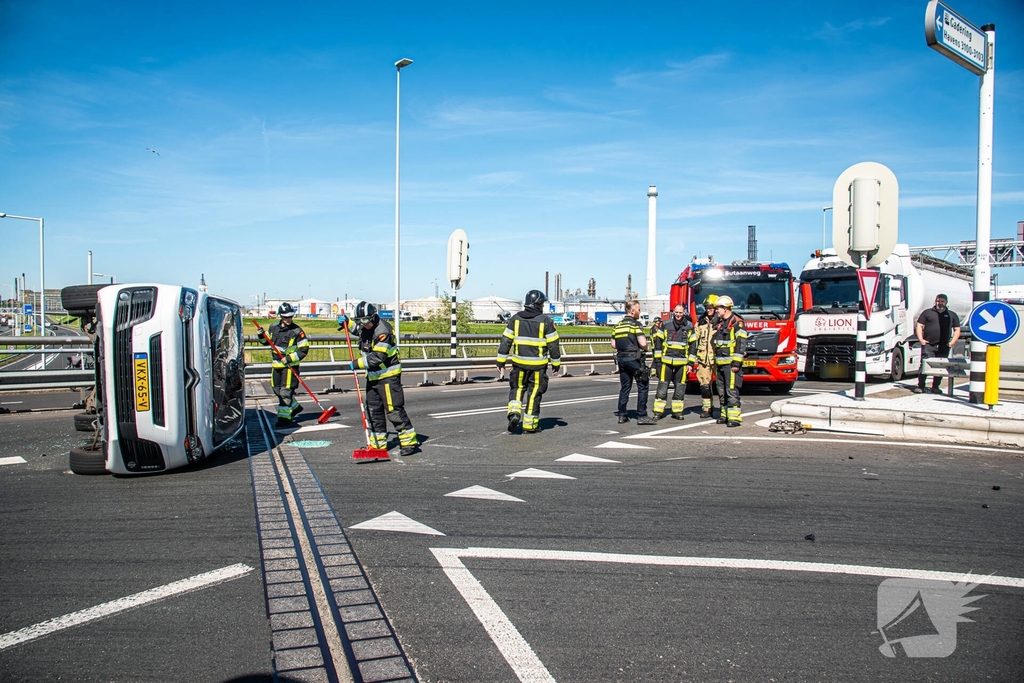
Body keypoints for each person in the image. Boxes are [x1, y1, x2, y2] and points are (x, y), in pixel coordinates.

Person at [345, 301, 419, 455]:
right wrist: (348, 322)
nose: (362, 324)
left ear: (373, 317)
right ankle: (378, 445)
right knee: (373, 410)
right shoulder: (366, 326)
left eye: (365, 320)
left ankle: (408, 442)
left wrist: (356, 363)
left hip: (388, 376)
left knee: (393, 410)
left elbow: (377, 358)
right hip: (373, 377)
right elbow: (358, 330)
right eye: (360, 321)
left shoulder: (383, 331)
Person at [496, 290, 561, 434]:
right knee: (534, 394)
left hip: (518, 364)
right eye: (542, 303)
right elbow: (553, 345)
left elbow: (506, 341)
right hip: (538, 367)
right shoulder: (545, 321)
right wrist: (556, 364)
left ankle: (514, 414)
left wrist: (500, 361)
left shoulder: (515, 319)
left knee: (517, 389)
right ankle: (529, 425)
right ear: (538, 304)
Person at [261, 303, 310, 428]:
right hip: (276, 366)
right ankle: (295, 407)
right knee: (276, 390)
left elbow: (303, 349)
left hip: (290, 367)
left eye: (290, 317)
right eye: (285, 317)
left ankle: (284, 419)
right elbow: (265, 342)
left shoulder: (297, 331)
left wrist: (289, 358)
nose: (288, 319)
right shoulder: (273, 328)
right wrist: (261, 335)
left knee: (285, 392)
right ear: (281, 316)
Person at [613, 300, 656, 425]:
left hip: (621, 359)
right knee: (643, 384)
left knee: (625, 387)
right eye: (638, 309)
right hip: (633, 359)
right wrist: (646, 348)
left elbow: (613, 344)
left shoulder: (618, 325)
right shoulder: (635, 325)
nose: (639, 312)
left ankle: (622, 415)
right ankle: (642, 415)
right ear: (632, 311)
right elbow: (643, 343)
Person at [711, 296, 748, 427]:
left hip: (731, 364)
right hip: (720, 363)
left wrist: (736, 364)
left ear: (725, 308)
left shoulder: (737, 323)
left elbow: (741, 344)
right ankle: (724, 415)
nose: (716, 311)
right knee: (721, 391)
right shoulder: (721, 324)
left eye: (718, 309)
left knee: (731, 390)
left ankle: (734, 418)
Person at [653, 304, 694, 420]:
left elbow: (693, 346)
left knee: (680, 387)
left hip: (682, 363)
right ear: (673, 312)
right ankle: (658, 412)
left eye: (680, 313)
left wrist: (690, 364)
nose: (678, 315)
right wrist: (657, 362)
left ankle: (677, 411)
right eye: (676, 312)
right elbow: (658, 344)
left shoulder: (689, 326)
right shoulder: (665, 325)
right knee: (662, 387)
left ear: (684, 313)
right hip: (666, 362)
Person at [915, 294, 962, 394]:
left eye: (942, 301)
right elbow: (919, 325)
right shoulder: (927, 313)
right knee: (924, 365)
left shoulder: (951, 315)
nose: (939, 303)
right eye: (938, 301)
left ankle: (935, 387)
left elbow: (957, 329)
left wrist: (952, 342)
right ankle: (921, 386)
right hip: (929, 344)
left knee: (940, 367)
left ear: (946, 302)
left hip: (944, 345)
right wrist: (921, 340)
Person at [690, 294, 720, 418]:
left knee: (722, 386)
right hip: (703, 359)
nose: (708, 310)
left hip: (718, 359)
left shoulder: (721, 322)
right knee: (704, 385)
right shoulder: (700, 323)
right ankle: (707, 408)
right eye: (707, 308)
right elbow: (694, 339)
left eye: (711, 308)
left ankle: (724, 409)